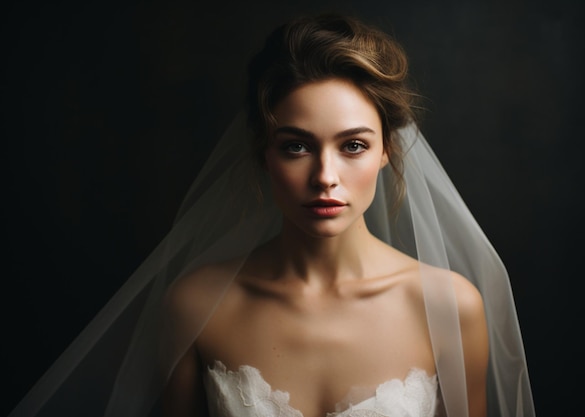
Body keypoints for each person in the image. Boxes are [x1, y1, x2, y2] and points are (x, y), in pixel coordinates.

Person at [9, 13, 534, 417]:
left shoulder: (449, 307)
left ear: (387, 153)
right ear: (264, 153)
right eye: (296, 147)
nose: (325, 175)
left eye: (352, 145)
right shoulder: (195, 305)